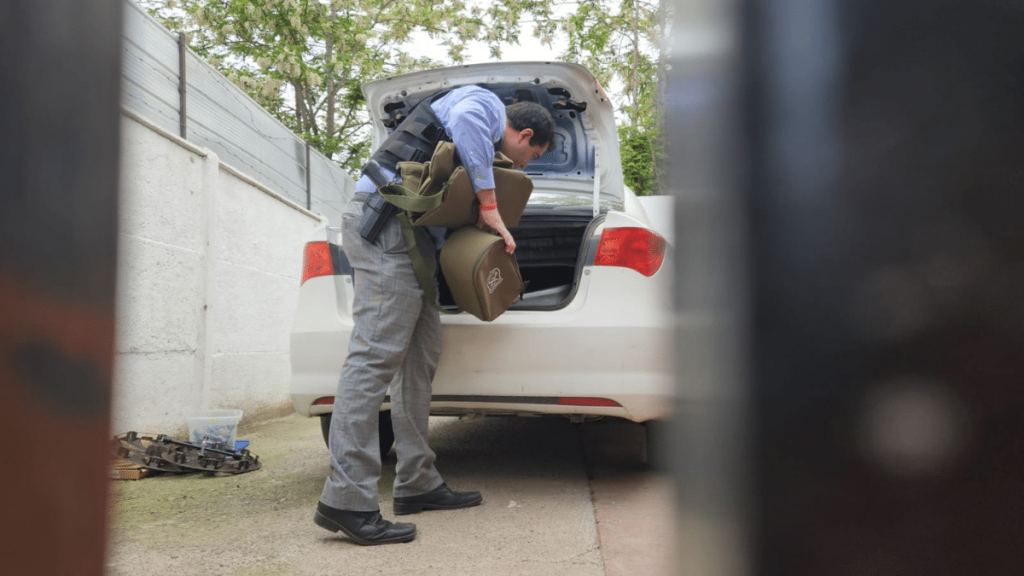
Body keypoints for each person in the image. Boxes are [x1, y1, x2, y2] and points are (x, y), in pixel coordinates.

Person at [314, 84, 555, 546]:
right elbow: (464, 125)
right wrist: (489, 204)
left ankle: (417, 481)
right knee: (374, 358)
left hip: (411, 238)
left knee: (421, 354)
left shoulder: (481, 143)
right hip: (383, 225)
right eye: (532, 156)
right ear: (524, 133)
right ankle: (346, 499)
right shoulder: (483, 104)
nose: (525, 166)